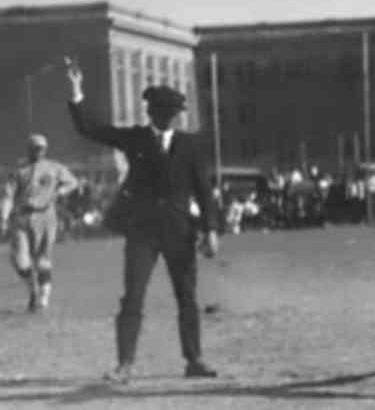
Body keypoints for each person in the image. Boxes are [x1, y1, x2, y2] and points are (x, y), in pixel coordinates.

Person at [66, 58, 220, 383]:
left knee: (187, 297)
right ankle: (125, 364)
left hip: (180, 231)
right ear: (152, 113)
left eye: (172, 114)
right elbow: (90, 129)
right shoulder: (135, 139)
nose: (169, 118)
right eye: (164, 113)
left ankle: (194, 360)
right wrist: (77, 90)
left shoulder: (190, 145)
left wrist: (211, 230)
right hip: (142, 231)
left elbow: (204, 190)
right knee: (133, 297)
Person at [5, 134, 79, 312]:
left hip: (46, 216)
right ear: (29, 149)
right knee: (19, 260)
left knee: (42, 260)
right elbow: (8, 196)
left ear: (45, 149)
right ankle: (33, 289)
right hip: (22, 217)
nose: (38, 151)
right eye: (35, 148)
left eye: (41, 148)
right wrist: (3, 217)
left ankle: (42, 299)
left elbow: (72, 182)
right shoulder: (19, 171)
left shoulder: (54, 167)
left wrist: (61, 191)